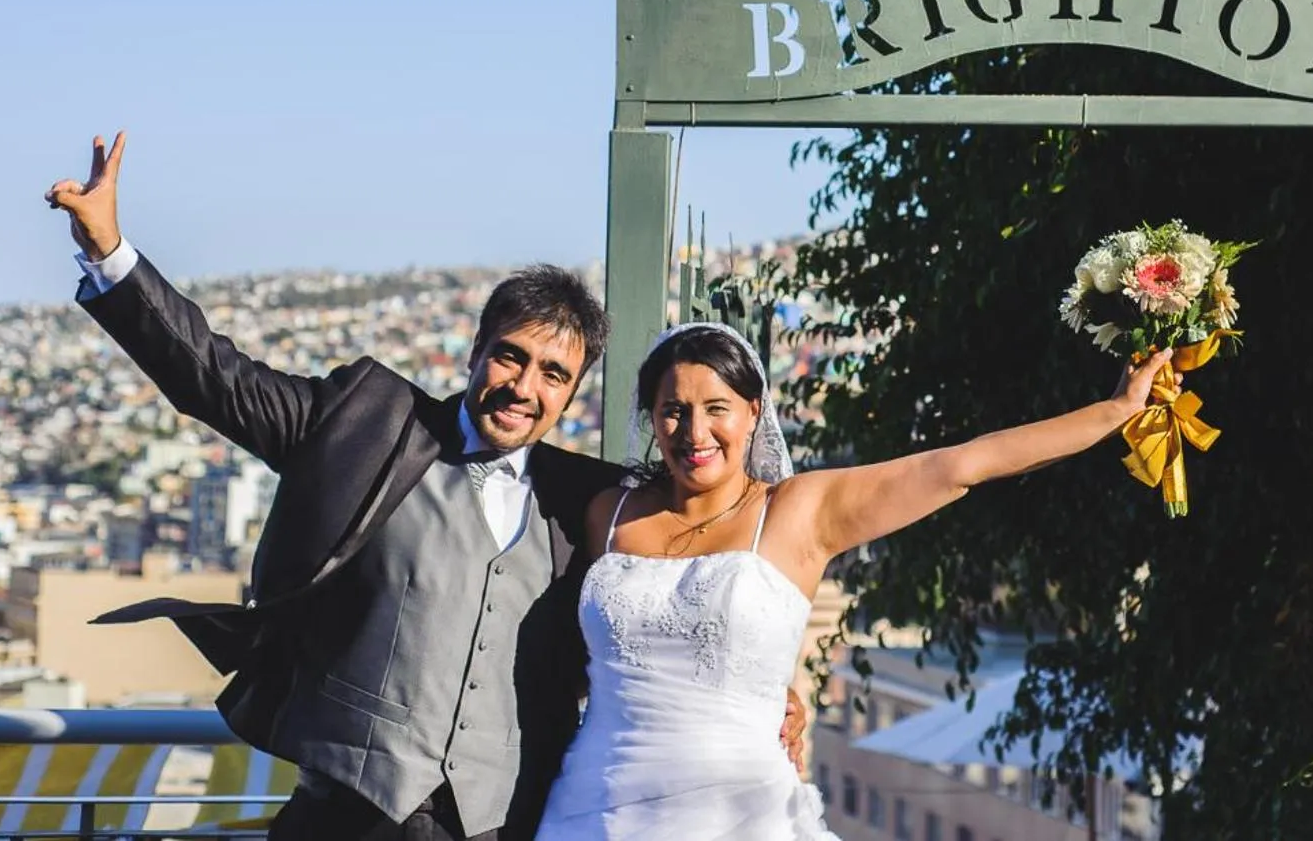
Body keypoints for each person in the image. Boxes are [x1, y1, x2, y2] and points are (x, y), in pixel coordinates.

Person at [44, 134, 803, 841]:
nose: (522, 387)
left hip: (500, 821)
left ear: (572, 396)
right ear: (474, 352)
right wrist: (110, 251)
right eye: (509, 357)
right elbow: (215, 378)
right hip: (346, 809)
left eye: (552, 374)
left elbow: (713, 557)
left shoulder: (594, 502)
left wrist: (770, 698)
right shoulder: (367, 426)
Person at [535, 319, 1173, 841]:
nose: (694, 432)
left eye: (716, 409)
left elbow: (960, 466)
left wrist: (1114, 411)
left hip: (739, 818)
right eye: (673, 411)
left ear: (754, 412)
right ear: (651, 416)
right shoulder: (605, 514)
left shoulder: (798, 511)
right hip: (593, 810)